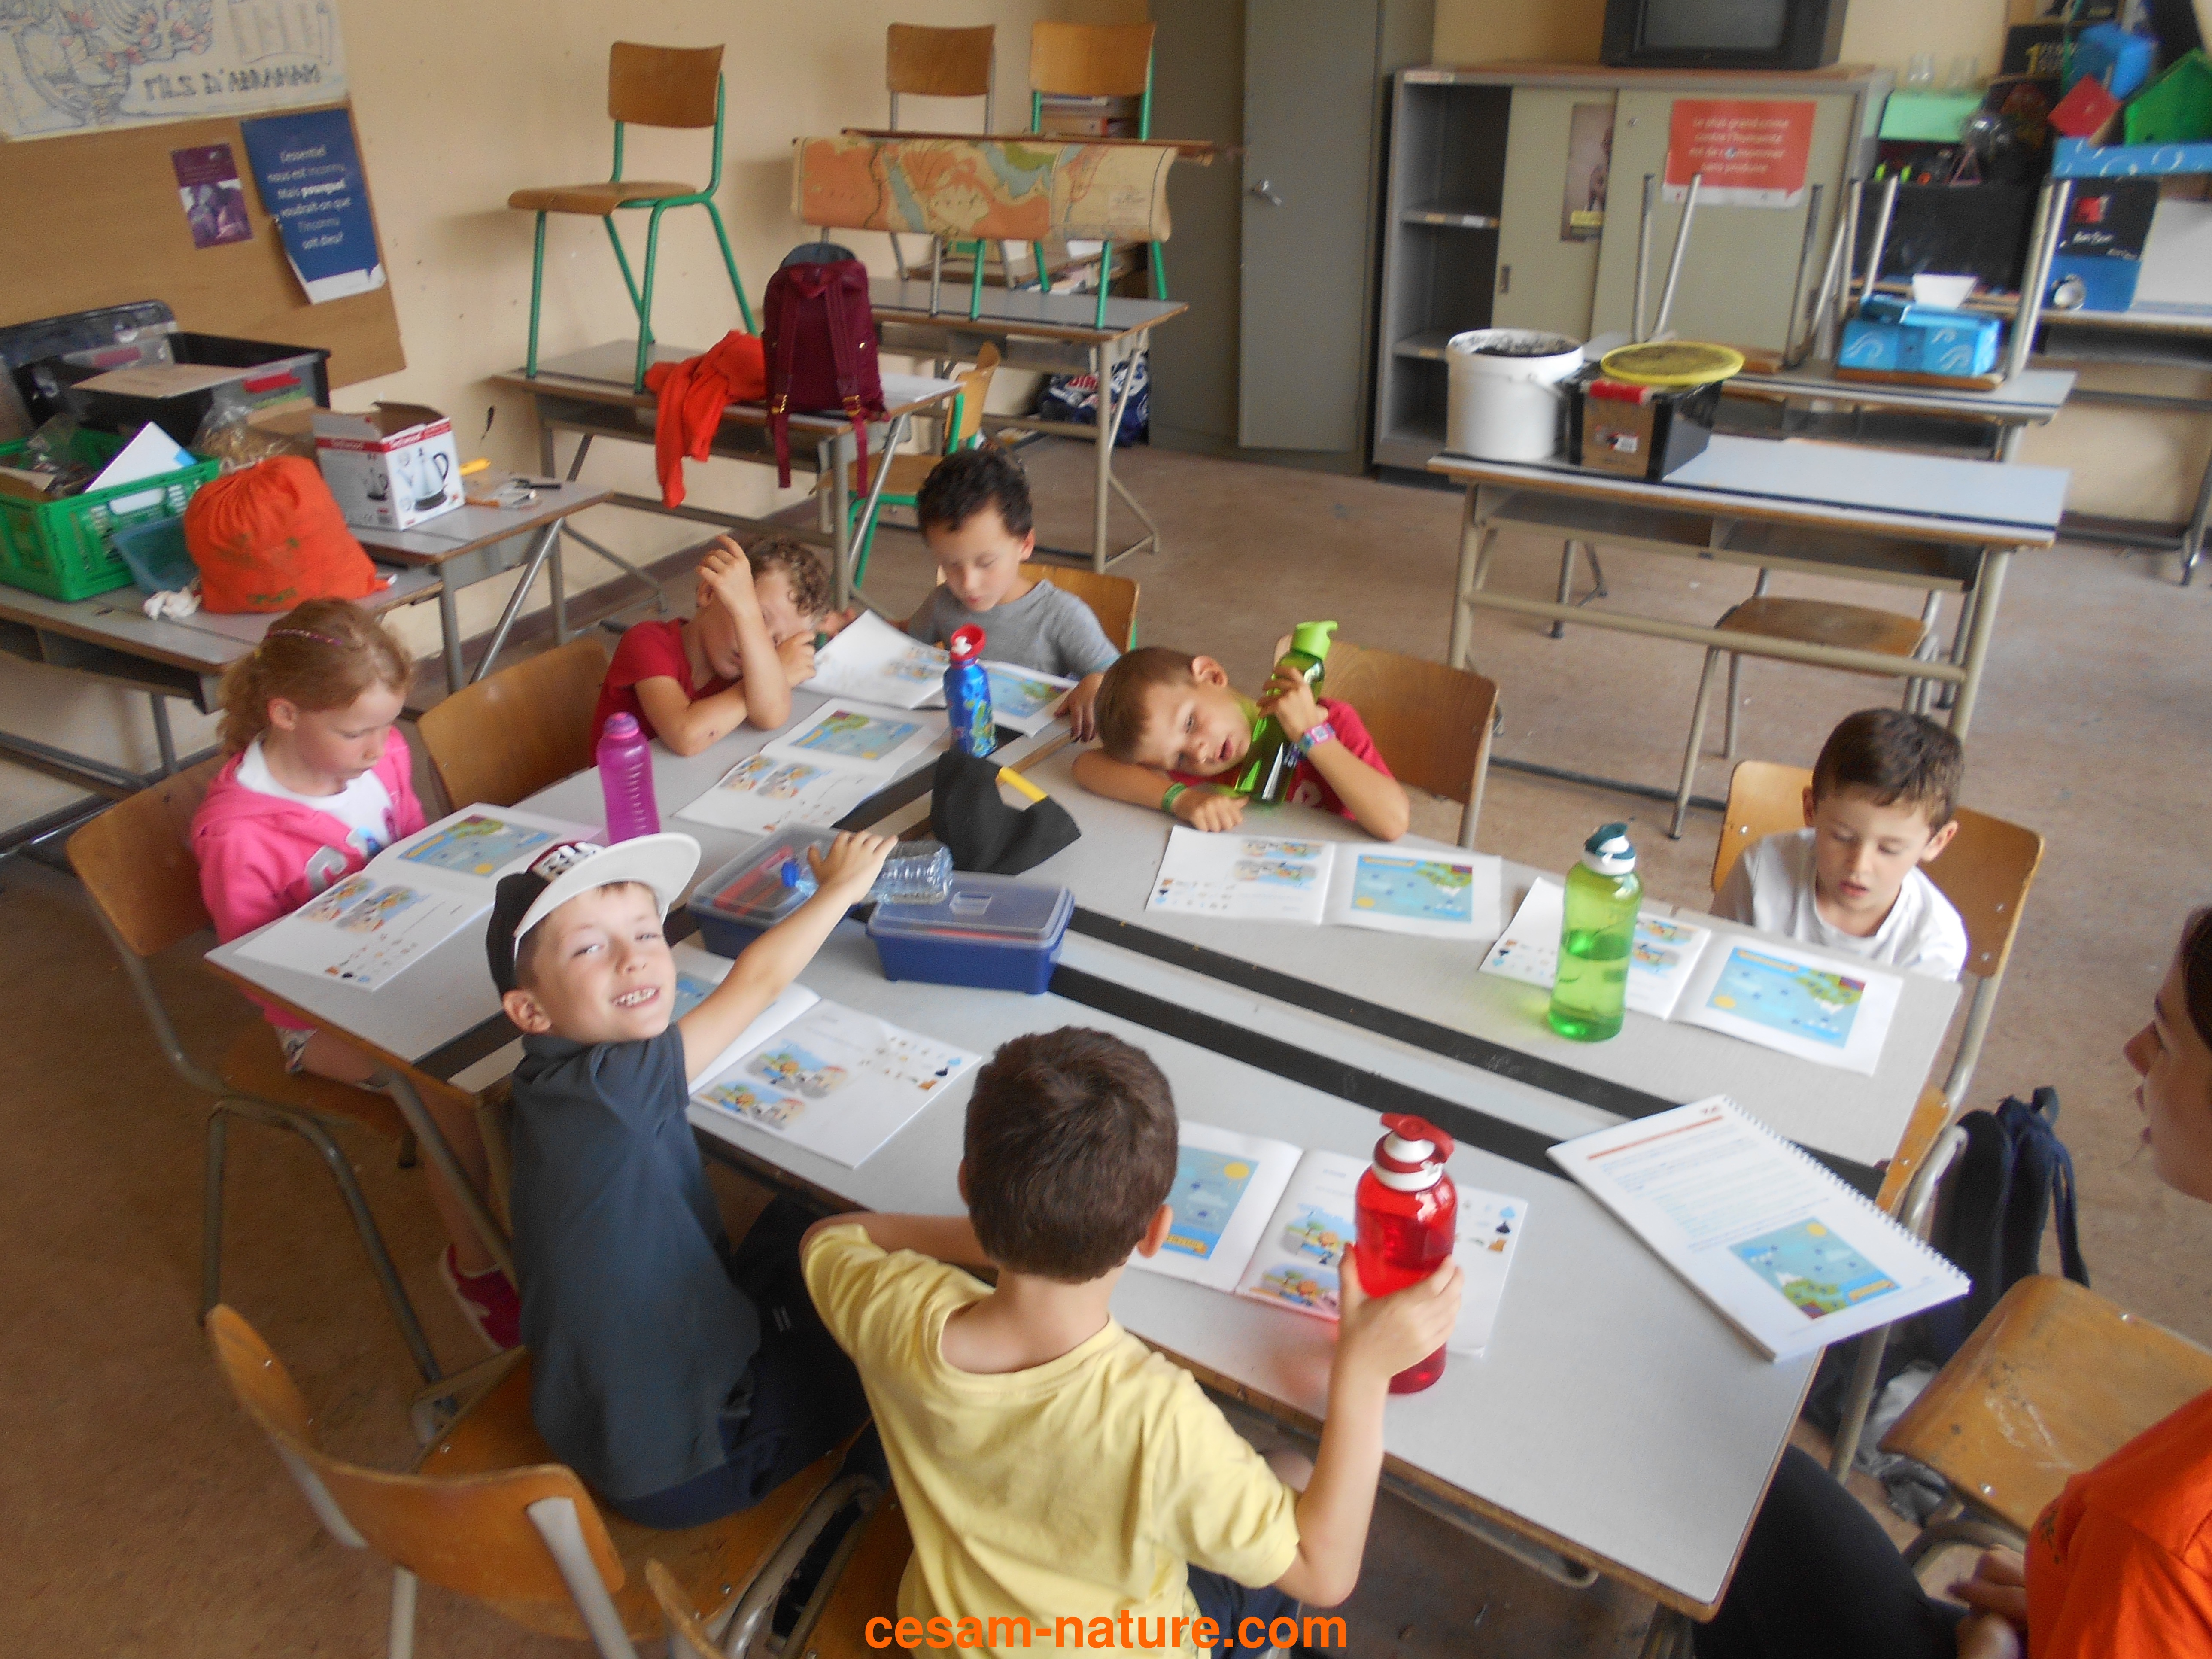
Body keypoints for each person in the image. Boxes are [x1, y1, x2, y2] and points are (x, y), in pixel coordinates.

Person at [801, 1027, 1463, 1659]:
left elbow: (829, 1237)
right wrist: (1363, 1376)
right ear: (1154, 1232)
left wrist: (1007, 1229)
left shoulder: (898, 1312)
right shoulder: (1158, 1423)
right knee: (1292, 1469)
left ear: (968, 1186)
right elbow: (1324, 1573)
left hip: (947, 1638)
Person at [1697, 907, 2212, 1659]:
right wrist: (2083, 1602)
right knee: (1754, 1495)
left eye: (2165, 1038)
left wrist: (1996, 1648)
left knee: (1728, 1488)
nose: (2133, 1051)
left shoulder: (2163, 1542)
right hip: (2074, 1610)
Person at [488, 826, 894, 1525]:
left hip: (606, 1418)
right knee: (895, 1335)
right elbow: (758, 981)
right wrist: (841, 889)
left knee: (801, 1224)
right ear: (531, 1010)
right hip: (696, 1458)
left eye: (646, 933)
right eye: (589, 948)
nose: (634, 959)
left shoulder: (551, 1080)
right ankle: (848, 1525)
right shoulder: (616, 1090)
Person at [191, 600, 517, 1346]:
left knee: (539, 1008)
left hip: (412, 956)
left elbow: (415, 848)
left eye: (388, 724)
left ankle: (536, 1204)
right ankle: (476, 1266)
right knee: (449, 1083)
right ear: (284, 713)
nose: (379, 747)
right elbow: (256, 972)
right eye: (354, 732)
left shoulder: (384, 755)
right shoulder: (237, 835)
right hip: (314, 1020)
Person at [1712, 708, 1969, 979]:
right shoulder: (1762, 865)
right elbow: (1712, 963)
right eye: (1842, 837)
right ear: (1810, 810)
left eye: (1889, 849)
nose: (1859, 866)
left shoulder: (1934, 943)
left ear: (1937, 842)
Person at [1073, 646, 1411, 841]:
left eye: (1190, 723)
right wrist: (1181, 799)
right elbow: (1087, 767)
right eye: (1178, 758)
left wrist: (1312, 735)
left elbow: (1394, 822)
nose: (1198, 752)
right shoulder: (1204, 769)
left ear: (1212, 675)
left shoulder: (1331, 721)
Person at [905, 447, 1121, 741]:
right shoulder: (942, 602)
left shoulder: (1061, 615)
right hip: (961, 741)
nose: (968, 583)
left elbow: (1122, 680)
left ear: (1025, 545)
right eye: (951, 564)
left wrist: (1097, 682)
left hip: (1039, 751)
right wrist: (856, 630)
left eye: (986, 563)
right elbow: (907, 642)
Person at [592, 535, 831, 756]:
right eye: (756, 618)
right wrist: (775, 675)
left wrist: (772, 674)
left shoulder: (746, 670)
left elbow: (770, 717)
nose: (758, 644)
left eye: (777, 642)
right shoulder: (646, 641)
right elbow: (686, 737)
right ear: (709, 592)